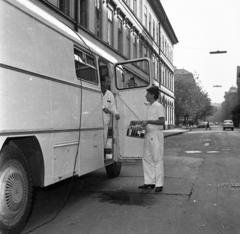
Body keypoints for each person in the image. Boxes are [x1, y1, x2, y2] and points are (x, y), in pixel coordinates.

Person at [130, 86, 165, 192]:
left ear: (152, 95)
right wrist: (136, 122)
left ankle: (159, 184)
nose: (146, 95)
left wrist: (148, 121)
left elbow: (162, 121)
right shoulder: (150, 107)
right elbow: (147, 121)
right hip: (148, 134)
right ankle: (149, 182)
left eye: (147, 94)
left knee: (157, 159)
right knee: (147, 158)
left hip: (156, 135)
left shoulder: (158, 106)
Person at [101, 75, 120, 147]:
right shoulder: (96, 91)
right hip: (96, 121)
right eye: (107, 82)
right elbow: (94, 102)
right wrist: (103, 108)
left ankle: (102, 157)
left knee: (104, 141)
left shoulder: (110, 94)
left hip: (105, 121)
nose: (109, 84)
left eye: (109, 82)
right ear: (102, 82)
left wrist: (116, 113)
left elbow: (112, 106)